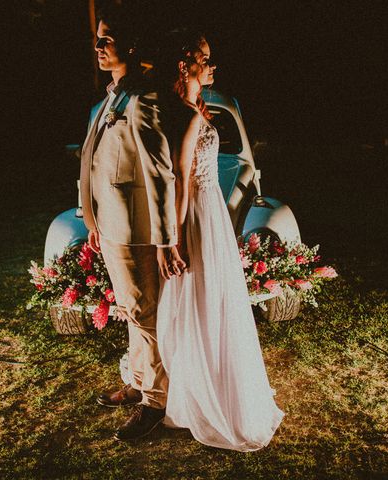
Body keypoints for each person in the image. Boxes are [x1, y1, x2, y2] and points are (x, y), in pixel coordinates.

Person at [155, 31, 284, 451]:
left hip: (208, 213)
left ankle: (213, 381)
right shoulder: (186, 115)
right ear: (184, 64)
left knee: (210, 298)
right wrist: (172, 239)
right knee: (204, 296)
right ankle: (209, 391)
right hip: (197, 215)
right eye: (205, 58)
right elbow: (179, 181)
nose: (212, 65)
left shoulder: (192, 109)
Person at [80, 3, 185, 441]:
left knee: (146, 315)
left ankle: (157, 403)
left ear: (132, 45)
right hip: (111, 224)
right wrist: (93, 218)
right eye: (98, 38)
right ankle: (139, 380)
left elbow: (160, 173)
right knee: (132, 312)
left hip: (138, 229)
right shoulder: (113, 96)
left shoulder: (145, 96)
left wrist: (165, 239)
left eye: (109, 38)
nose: (99, 45)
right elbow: (94, 162)